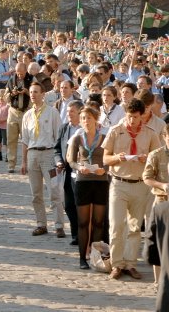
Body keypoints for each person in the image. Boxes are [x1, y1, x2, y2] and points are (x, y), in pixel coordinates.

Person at [102, 98, 161, 280]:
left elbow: (157, 158)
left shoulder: (150, 134)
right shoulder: (115, 131)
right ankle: (116, 264)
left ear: (141, 116)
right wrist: (117, 158)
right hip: (119, 183)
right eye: (129, 116)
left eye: (135, 117)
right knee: (117, 225)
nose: (131, 121)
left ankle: (130, 264)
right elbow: (105, 159)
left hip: (140, 184)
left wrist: (147, 159)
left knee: (135, 228)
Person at [67, 106, 109, 270]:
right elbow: (70, 160)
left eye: (89, 118)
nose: (86, 121)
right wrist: (79, 167)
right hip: (83, 181)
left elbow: (108, 159)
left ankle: (95, 256)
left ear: (95, 119)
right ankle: (81, 259)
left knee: (98, 222)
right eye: (83, 118)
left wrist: (103, 169)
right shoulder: (77, 138)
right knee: (83, 222)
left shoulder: (104, 138)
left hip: (100, 181)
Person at [20, 82, 64, 237]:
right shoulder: (27, 115)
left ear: (43, 94)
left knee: (54, 190)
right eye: (31, 92)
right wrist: (24, 161)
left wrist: (59, 159)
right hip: (33, 155)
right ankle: (41, 224)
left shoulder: (52, 112)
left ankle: (59, 225)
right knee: (36, 193)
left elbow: (58, 137)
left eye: (36, 92)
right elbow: (25, 140)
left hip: (48, 154)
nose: (33, 94)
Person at [142, 123, 169, 284]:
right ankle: (158, 281)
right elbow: (147, 177)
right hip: (161, 203)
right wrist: (163, 186)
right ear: (164, 138)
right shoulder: (155, 155)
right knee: (158, 242)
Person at [54, 100, 84, 246]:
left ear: (80, 112)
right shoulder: (64, 128)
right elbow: (57, 149)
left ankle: (82, 234)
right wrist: (59, 161)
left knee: (81, 204)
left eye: (71, 112)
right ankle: (75, 233)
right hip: (67, 171)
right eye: (67, 112)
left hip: (82, 171)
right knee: (68, 204)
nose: (69, 114)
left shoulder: (86, 129)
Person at [5, 63, 32, 173]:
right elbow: (5, 97)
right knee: (11, 139)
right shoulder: (11, 80)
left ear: (26, 71)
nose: (19, 75)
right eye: (17, 73)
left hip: (26, 112)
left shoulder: (31, 79)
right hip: (13, 111)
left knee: (26, 140)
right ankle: (11, 164)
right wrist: (12, 93)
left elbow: (37, 94)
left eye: (21, 73)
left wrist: (27, 92)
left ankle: (27, 164)